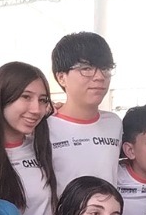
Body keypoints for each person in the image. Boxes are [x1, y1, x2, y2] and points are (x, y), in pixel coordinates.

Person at [0, 62, 59, 215]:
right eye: (26, 97)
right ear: (2, 97)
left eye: (43, 100)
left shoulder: (43, 148)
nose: (36, 109)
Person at [47, 32, 122, 187]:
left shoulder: (114, 123)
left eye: (105, 68)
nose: (100, 77)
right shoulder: (43, 127)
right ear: (61, 77)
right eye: (87, 69)